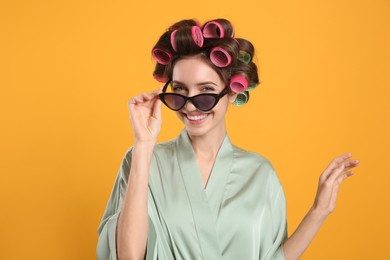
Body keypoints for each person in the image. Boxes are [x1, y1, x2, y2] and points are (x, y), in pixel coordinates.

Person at [96, 18, 359, 260]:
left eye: (206, 91)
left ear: (232, 93)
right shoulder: (143, 161)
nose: (190, 106)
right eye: (179, 91)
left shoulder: (260, 173)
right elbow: (128, 256)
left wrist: (318, 211)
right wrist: (143, 145)